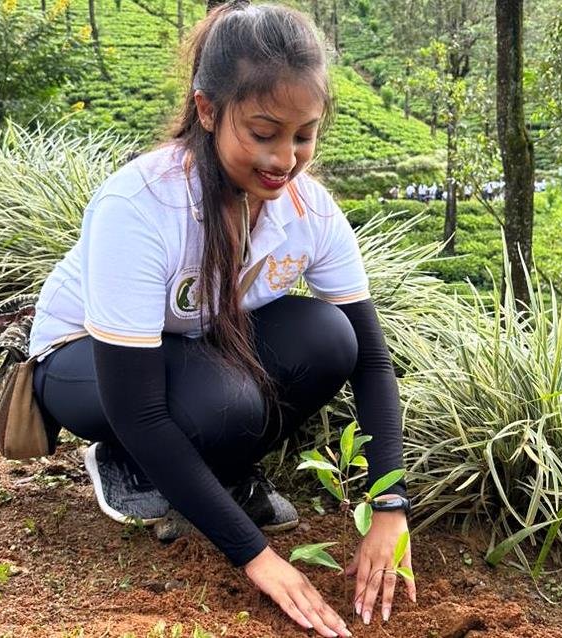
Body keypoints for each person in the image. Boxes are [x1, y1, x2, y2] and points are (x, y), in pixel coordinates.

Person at [26, 2, 415, 636]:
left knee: (328, 337)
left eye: (304, 134)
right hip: (82, 365)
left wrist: (390, 504)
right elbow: (140, 408)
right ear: (208, 111)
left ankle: (219, 476)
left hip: (195, 351)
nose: (285, 159)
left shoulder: (308, 210)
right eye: (263, 133)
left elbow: (370, 360)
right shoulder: (143, 203)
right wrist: (259, 559)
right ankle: (126, 464)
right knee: (224, 404)